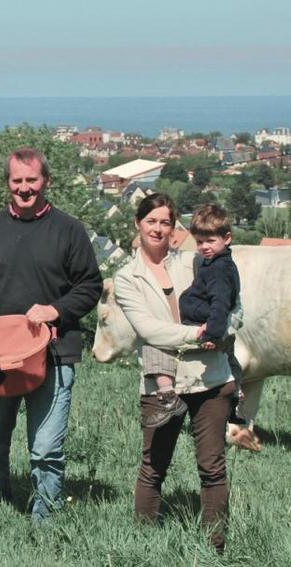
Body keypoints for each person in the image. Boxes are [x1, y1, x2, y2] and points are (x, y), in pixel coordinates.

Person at [0, 147, 102, 523]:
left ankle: (46, 522)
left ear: (46, 181)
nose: (24, 188)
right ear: (8, 183)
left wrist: (55, 310)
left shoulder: (69, 230)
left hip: (53, 355)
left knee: (45, 450)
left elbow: (90, 285)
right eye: (17, 181)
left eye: (32, 180)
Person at [113, 193, 238, 551]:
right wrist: (199, 334)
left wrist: (226, 328)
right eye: (150, 220)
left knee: (212, 468)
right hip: (161, 381)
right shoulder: (127, 277)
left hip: (209, 377)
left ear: (174, 227)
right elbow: (149, 329)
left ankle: (215, 548)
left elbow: (233, 304)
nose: (157, 228)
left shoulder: (197, 261)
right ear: (138, 224)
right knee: (153, 467)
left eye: (165, 221)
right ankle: (144, 547)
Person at [139, 202, 243, 428]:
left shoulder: (218, 269)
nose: (204, 247)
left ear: (227, 238)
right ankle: (237, 391)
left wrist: (212, 334)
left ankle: (167, 396)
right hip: (204, 322)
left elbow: (220, 304)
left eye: (210, 241)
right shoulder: (214, 262)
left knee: (154, 345)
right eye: (199, 242)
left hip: (204, 326)